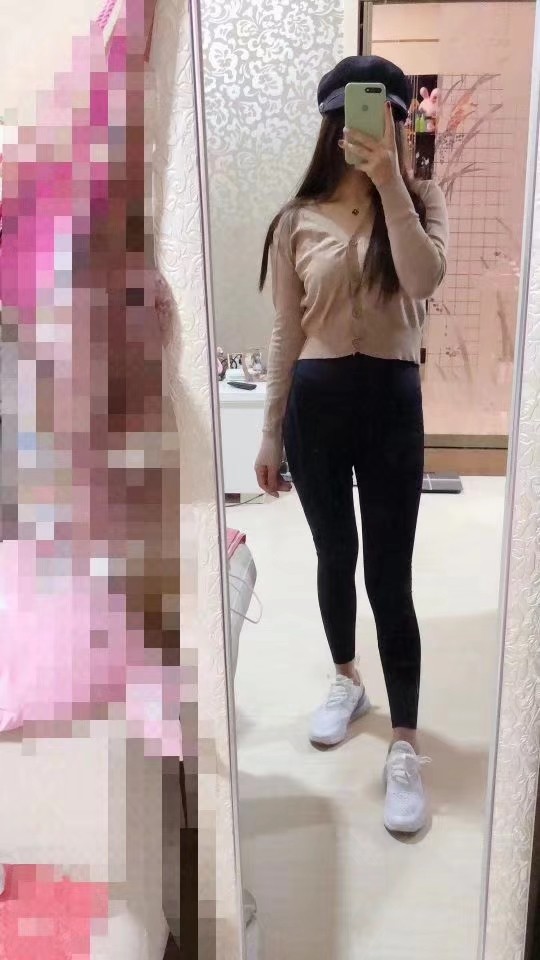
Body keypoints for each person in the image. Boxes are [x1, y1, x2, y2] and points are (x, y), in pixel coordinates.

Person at [254, 56, 449, 834]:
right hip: (317, 406)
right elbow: (286, 330)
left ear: (396, 123)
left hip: (392, 402)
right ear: (333, 125)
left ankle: (404, 744)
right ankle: (346, 678)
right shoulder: (296, 220)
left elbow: (423, 281)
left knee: (389, 574)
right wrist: (269, 429)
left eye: (386, 117)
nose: (369, 129)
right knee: (335, 554)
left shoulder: (422, 200)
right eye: (356, 117)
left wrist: (394, 184)